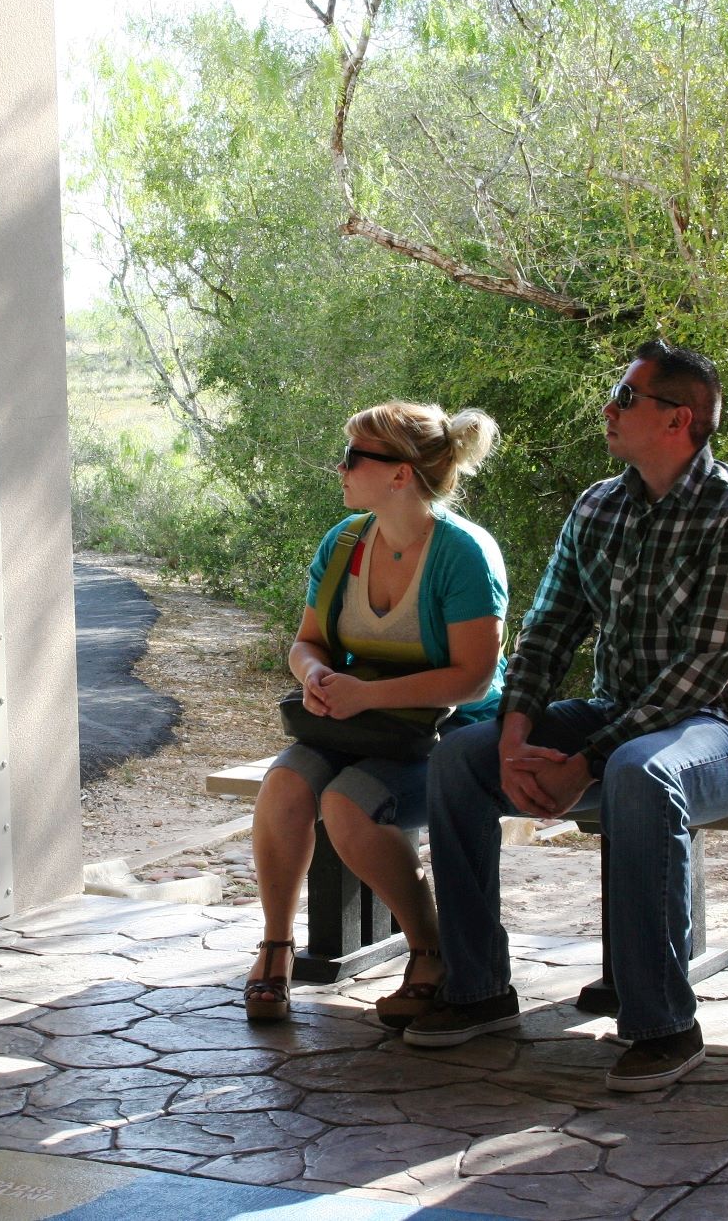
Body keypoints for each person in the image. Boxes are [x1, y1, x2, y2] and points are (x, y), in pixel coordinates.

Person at [407, 339, 728, 1093]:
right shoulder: (600, 504)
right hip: (621, 719)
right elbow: (550, 626)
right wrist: (517, 737)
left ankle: (663, 1025)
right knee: (460, 757)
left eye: (626, 397)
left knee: (639, 772)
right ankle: (477, 988)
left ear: (678, 419)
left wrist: (582, 760)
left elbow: (701, 673)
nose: (609, 409)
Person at [244, 401, 507, 1027]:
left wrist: (364, 695)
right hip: (360, 727)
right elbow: (306, 642)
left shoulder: (464, 553)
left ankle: (429, 951)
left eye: (354, 457)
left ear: (398, 475)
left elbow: (473, 678)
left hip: (448, 737)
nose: (339, 468)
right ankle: (276, 948)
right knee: (282, 788)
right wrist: (316, 676)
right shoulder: (343, 544)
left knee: (345, 804)